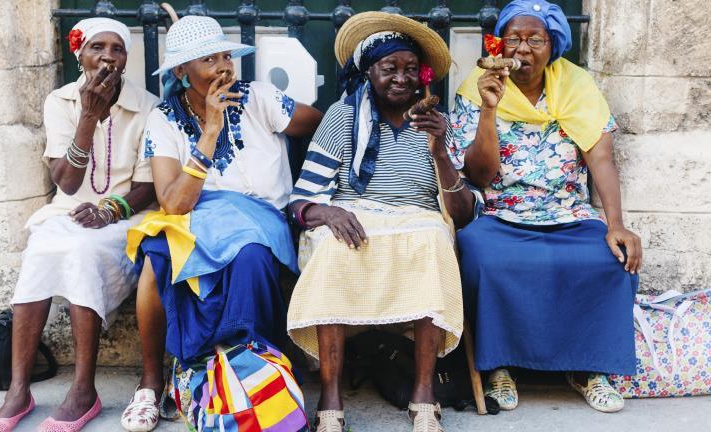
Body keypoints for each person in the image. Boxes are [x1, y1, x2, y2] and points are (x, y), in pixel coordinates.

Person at [120, 16, 323, 432]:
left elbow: (320, 123)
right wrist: (210, 131)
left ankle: (246, 370)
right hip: (198, 214)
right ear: (182, 72)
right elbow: (173, 204)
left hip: (261, 219)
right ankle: (150, 383)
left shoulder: (259, 97)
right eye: (209, 59)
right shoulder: (164, 119)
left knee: (248, 255)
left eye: (226, 55)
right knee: (156, 257)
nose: (224, 66)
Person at [286, 12, 479, 432]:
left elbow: (461, 213)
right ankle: (331, 397)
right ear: (368, 72)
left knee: (433, 239)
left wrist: (440, 149)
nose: (401, 78)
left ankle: (424, 394)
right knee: (335, 245)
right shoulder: (342, 116)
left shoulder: (437, 123)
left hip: (418, 218)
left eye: (411, 69)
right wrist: (328, 211)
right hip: (354, 214)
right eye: (389, 68)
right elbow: (301, 201)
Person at [451, 0, 642, 414]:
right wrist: (489, 108)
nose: (522, 49)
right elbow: (479, 176)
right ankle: (501, 366)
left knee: (611, 261)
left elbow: (602, 158)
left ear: (552, 45)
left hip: (569, 213)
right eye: (514, 39)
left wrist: (617, 224)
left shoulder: (576, 85)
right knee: (482, 257)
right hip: (502, 213)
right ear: (499, 44)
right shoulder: (478, 86)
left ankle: (589, 369)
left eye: (534, 39)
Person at [0, 18, 159, 432]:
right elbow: (66, 181)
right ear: (80, 55)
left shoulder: (147, 106)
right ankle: (19, 389)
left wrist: (110, 210)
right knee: (40, 250)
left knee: (83, 251)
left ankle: (83, 391)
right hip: (68, 210)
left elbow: (149, 186)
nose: (108, 57)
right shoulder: (60, 101)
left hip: (123, 216)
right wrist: (88, 117)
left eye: (117, 49)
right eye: (98, 47)